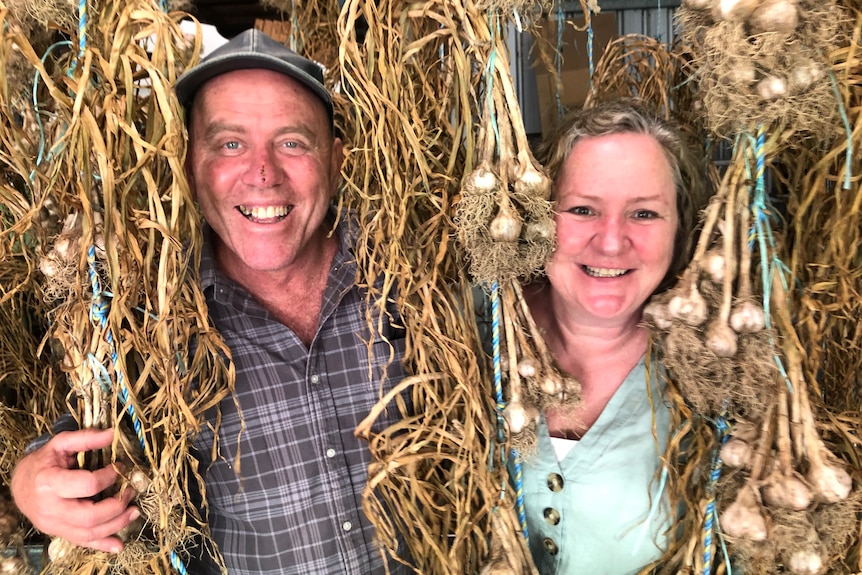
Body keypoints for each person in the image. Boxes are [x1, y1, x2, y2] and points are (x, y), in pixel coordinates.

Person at [10, 29, 411, 575]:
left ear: (335, 160)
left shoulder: (411, 278)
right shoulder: (154, 315)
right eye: (229, 144)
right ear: (189, 166)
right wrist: (33, 481)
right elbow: (86, 428)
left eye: (292, 141)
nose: (263, 172)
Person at [511, 99, 705, 574]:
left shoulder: (713, 373)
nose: (612, 241)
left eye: (644, 214)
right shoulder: (468, 331)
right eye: (582, 209)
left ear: (680, 230)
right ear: (538, 219)